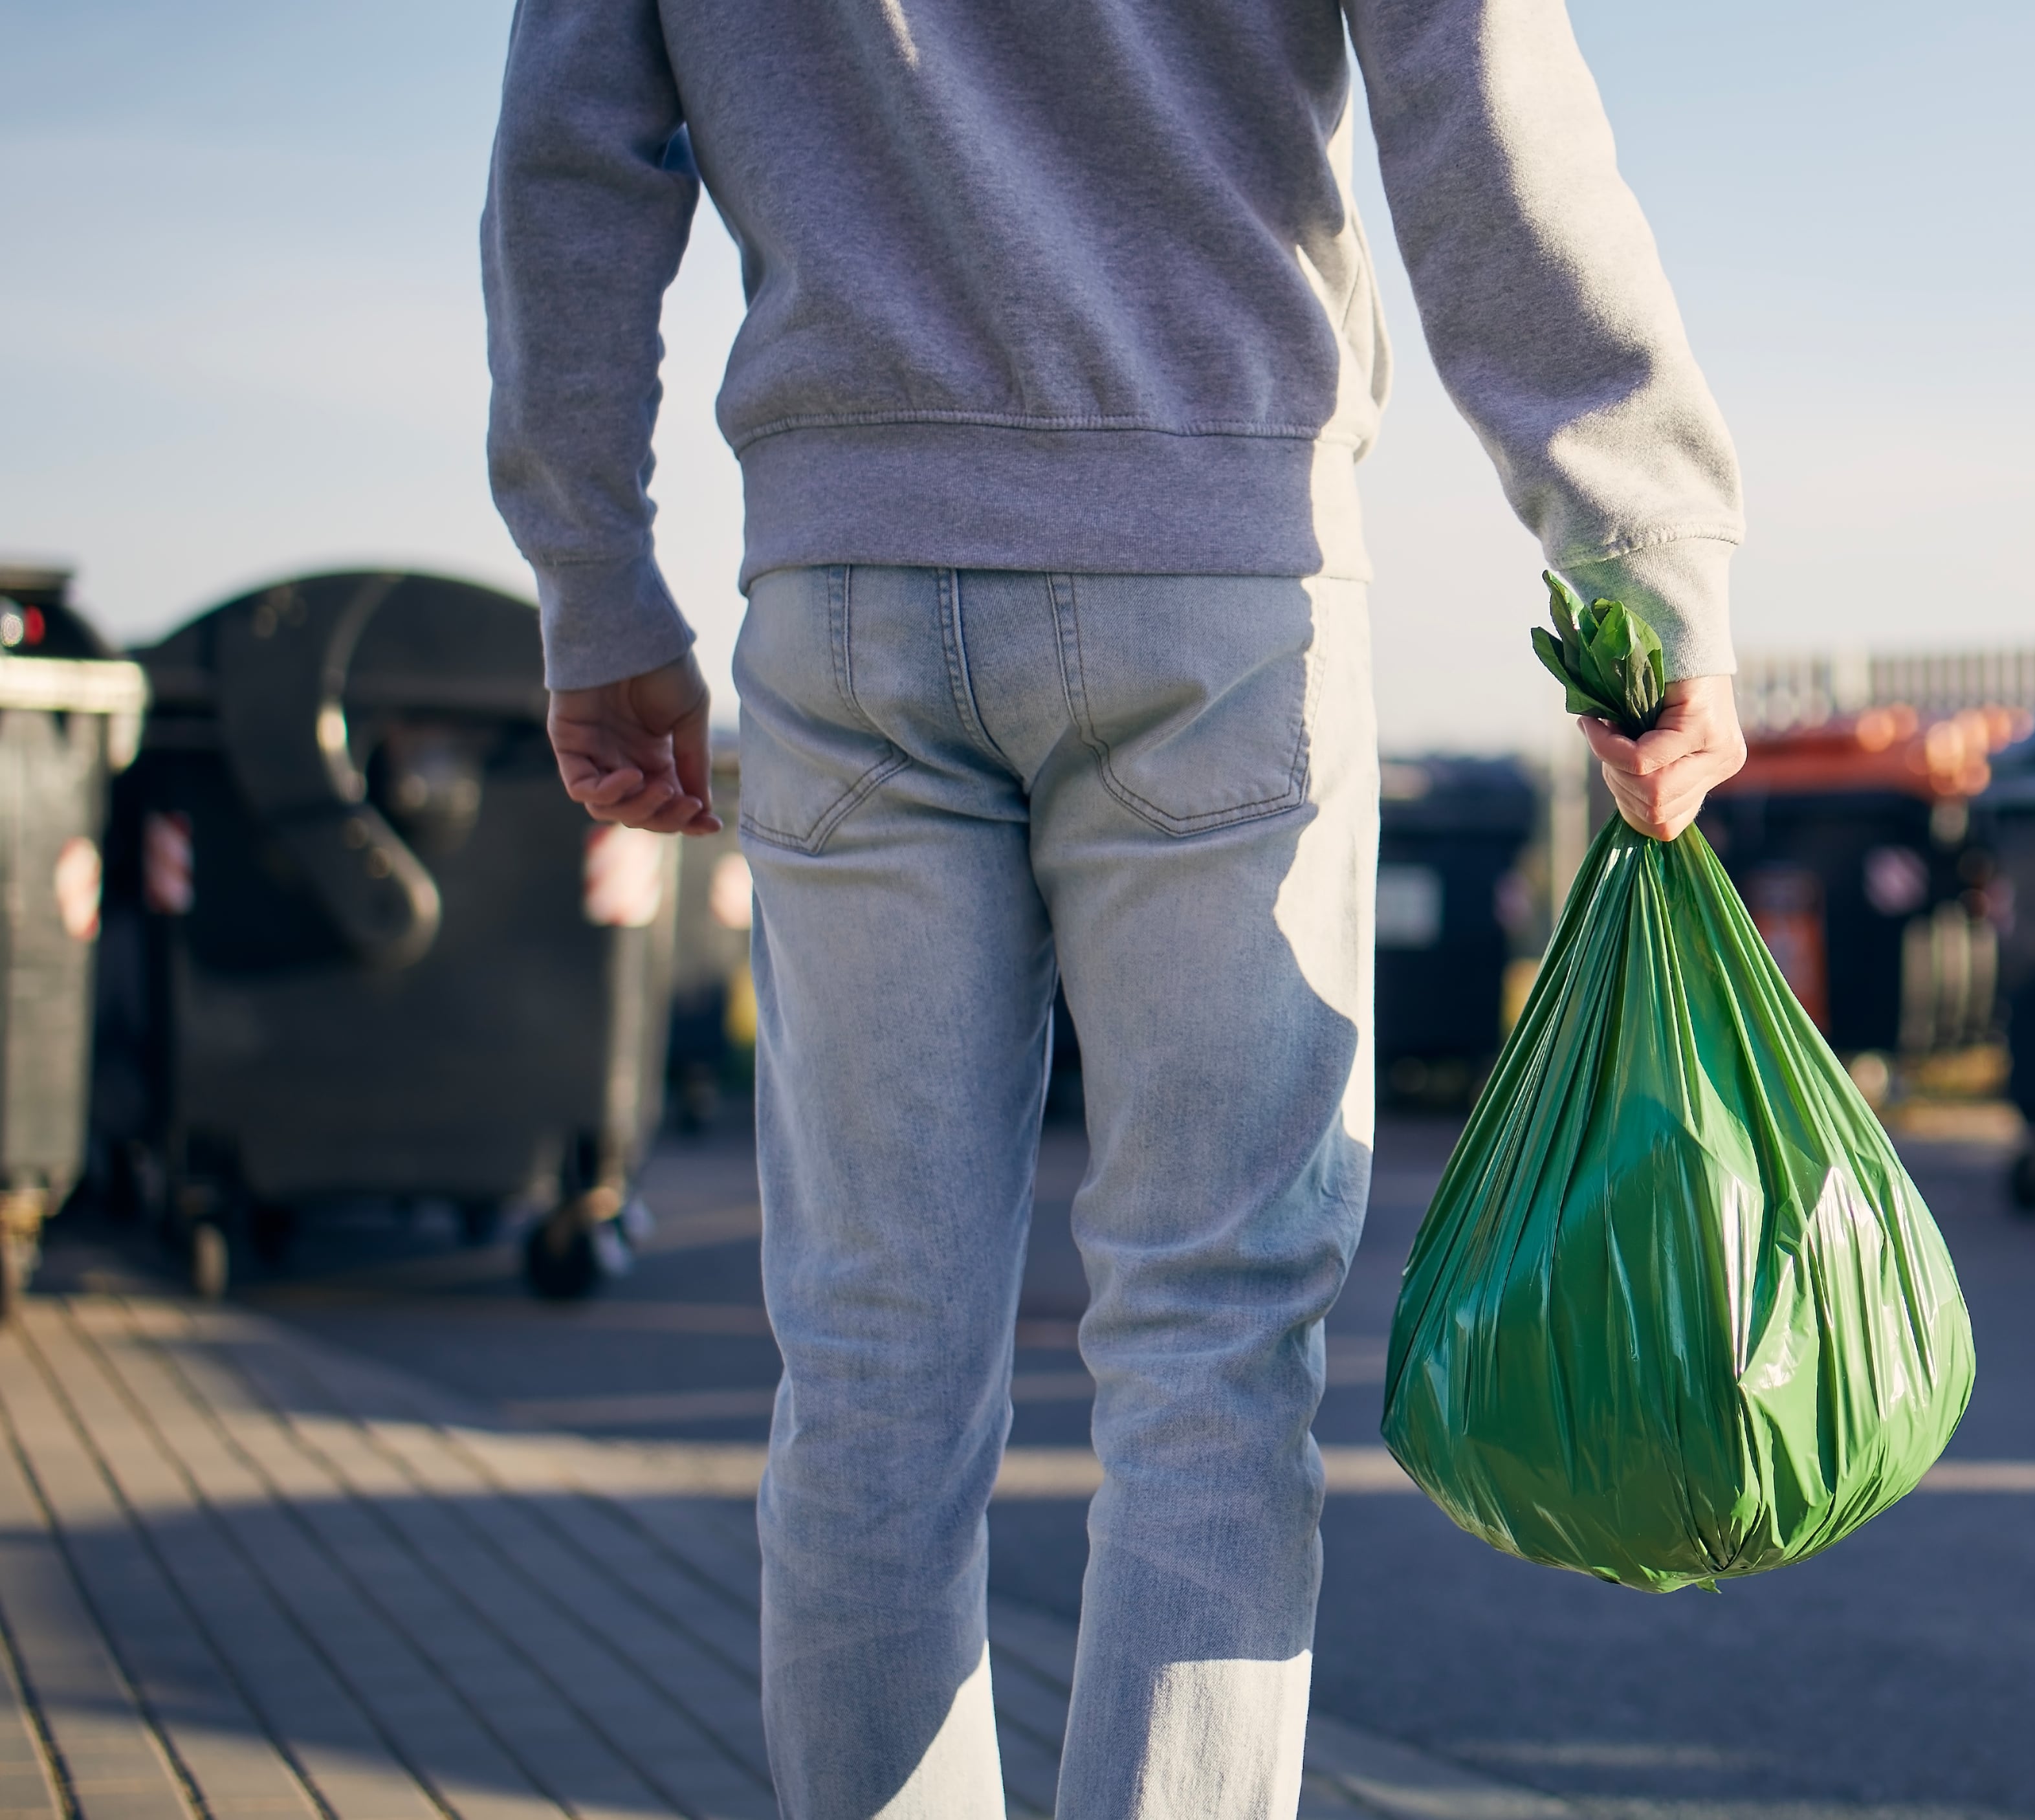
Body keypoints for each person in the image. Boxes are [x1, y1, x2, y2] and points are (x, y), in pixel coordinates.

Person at [481, 4, 1746, 1817]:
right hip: (1218, 578)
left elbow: (571, 152)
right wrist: (1644, 553)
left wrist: (594, 580)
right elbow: (1482, 97)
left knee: (869, 1363)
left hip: (846, 590)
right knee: (1213, 1353)